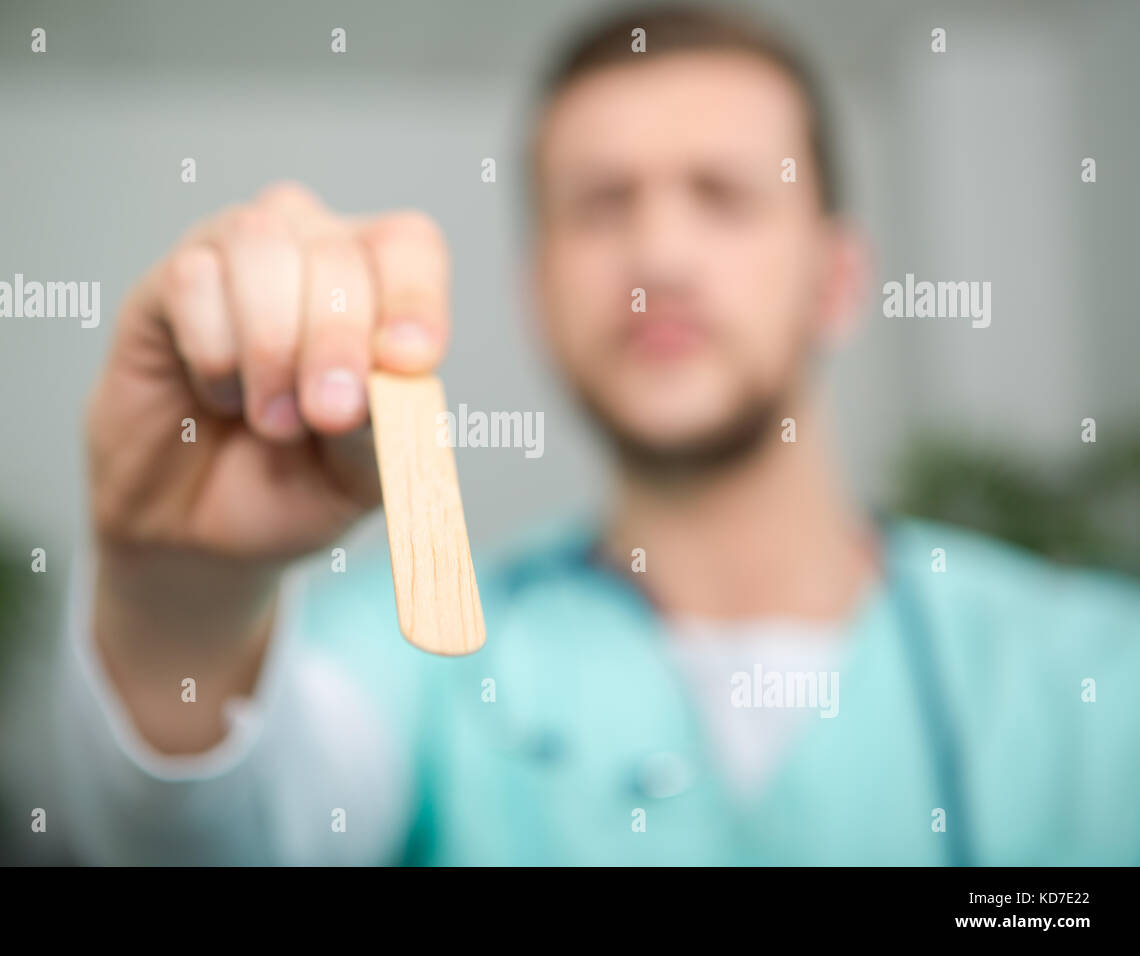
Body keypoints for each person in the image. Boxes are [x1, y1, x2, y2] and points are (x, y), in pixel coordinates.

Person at [56, 4, 1140, 865]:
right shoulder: (415, 659)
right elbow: (219, 842)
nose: (657, 252)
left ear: (839, 280)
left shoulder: (1096, 668)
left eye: (722, 196)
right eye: (599, 203)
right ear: (537, 293)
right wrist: (177, 591)